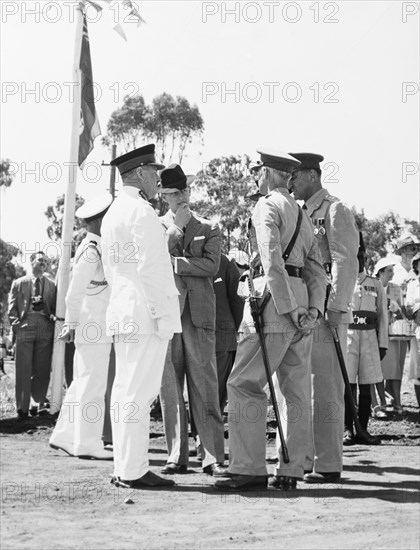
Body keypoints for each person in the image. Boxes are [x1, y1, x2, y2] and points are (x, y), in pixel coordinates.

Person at [216, 148, 326, 491]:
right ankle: (290, 470)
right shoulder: (302, 214)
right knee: (293, 390)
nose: (254, 176)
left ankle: (248, 467)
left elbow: (271, 258)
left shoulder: (266, 205)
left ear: (269, 173)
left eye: (257, 170)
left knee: (243, 383)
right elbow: (317, 270)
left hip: (272, 301)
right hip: (301, 303)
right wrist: (313, 310)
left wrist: (288, 305)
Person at [101, 144, 182, 489]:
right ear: (138, 173)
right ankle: (133, 470)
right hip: (145, 312)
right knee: (139, 394)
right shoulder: (142, 212)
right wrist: (163, 314)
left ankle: (125, 467)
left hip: (123, 308)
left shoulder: (113, 212)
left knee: (124, 392)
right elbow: (152, 269)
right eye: (153, 172)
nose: (157, 178)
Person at [288, 152, 359, 483]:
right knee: (303, 384)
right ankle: (303, 458)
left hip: (327, 312)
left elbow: (345, 260)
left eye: (296, 176)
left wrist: (337, 305)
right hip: (306, 308)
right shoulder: (300, 212)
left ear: (312, 175)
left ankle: (328, 462)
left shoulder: (334, 209)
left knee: (327, 386)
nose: (291, 182)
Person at [158, 163, 226, 476]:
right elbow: (156, 262)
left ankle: (212, 455)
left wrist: (177, 262)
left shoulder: (210, 227)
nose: (171, 199)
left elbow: (212, 267)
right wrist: (177, 230)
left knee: (205, 385)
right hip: (168, 314)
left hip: (199, 316)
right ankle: (176, 455)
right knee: (170, 388)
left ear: (187, 191)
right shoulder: (158, 227)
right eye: (166, 194)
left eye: (176, 193)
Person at [49, 194, 114, 459]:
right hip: (93, 325)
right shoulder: (91, 251)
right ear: (99, 221)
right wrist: (71, 323)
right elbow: (73, 293)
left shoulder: (96, 247)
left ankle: (65, 436)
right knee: (93, 385)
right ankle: (88, 443)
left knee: (82, 383)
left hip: (96, 323)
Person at [343, 233, 387, 446]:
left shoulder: (375, 284)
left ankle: (363, 430)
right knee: (348, 385)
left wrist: (383, 344)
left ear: (366, 259)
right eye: (355, 255)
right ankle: (347, 430)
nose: (359, 260)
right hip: (349, 336)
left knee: (367, 386)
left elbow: (382, 317)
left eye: (362, 255)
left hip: (369, 337)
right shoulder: (343, 281)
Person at [8, 251, 56, 419]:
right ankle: (22, 408)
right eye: (40, 260)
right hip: (25, 324)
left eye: (46, 261)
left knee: (42, 369)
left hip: (44, 325)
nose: (44, 263)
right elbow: (12, 308)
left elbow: (55, 307)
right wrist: (17, 326)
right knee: (23, 368)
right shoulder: (19, 282)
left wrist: (52, 322)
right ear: (32, 262)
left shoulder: (52, 284)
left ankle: (38, 403)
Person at [213, 252, 245, 412]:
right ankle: (208, 435)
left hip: (195, 339)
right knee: (217, 396)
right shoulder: (223, 261)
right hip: (223, 338)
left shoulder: (185, 259)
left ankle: (199, 433)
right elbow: (237, 300)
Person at [373, 257, 404, 416]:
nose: (392, 273)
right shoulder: (372, 286)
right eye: (389, 270)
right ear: (381, 272)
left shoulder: (397, 289)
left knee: (394, 370)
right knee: (376, 370)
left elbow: (402, 314)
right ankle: (380, 404)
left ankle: (397, 402)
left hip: (391, 334)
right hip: (375, 333)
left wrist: (396, 308)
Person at [406, 253, 420, 407]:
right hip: (417, 329)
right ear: (416, 266)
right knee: (417, 368)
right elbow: (409, 307)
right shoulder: (412, 285)